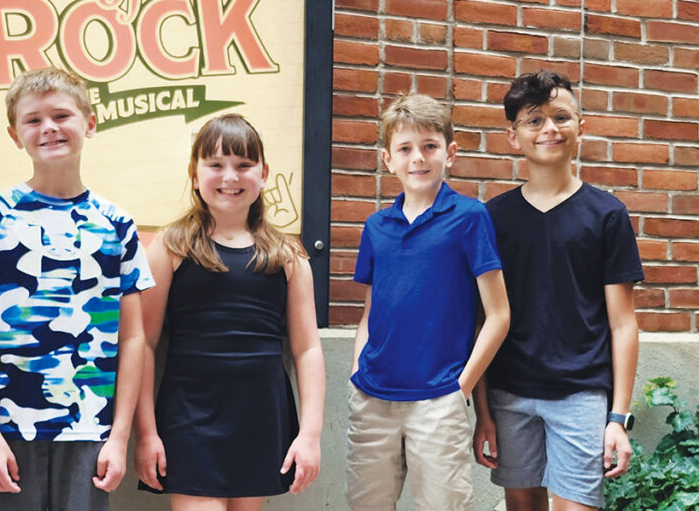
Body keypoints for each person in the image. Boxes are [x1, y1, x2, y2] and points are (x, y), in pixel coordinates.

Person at [0, 66, 153, 511]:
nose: (49, 128)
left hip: (90, 430)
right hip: (9, 430)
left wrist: (119, 437)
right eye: (33, 119)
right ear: (14, 133)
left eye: (62, 115)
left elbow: (133, 337)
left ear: (90, 123)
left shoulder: (117, 224)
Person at [133, 113, 326, 511]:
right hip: (190, 420)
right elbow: (144, 346)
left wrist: (310, 434)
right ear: (194, 174)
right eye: (216, 165)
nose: (230, 177)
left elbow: (307, 349)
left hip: (260, 418)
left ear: (264, 173)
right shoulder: (171, 247)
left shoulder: (288, 256)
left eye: (243, 165)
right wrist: (146, 433)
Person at [473, 70, 643, 511]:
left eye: (561, 117)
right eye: (534, 120)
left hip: (581, 395)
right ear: (514, 137)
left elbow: (623, 323)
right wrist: (484, 410)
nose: (549, 128)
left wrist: (617, 418)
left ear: (580, 128)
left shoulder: (607, 215)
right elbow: (481, 319)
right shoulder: (492, 218)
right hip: (510, 393)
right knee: (522, 504)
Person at [347, 93, 510, 510]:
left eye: (429, 147)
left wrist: (461, 388)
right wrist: (356, 369)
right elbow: (370, 313)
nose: (417, 158)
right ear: (388, 160)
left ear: (449, 153)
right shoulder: (376, 227)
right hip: (373, 398)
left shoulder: (470, 217)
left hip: (439, 399)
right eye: (405, 149)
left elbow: (498, 315)